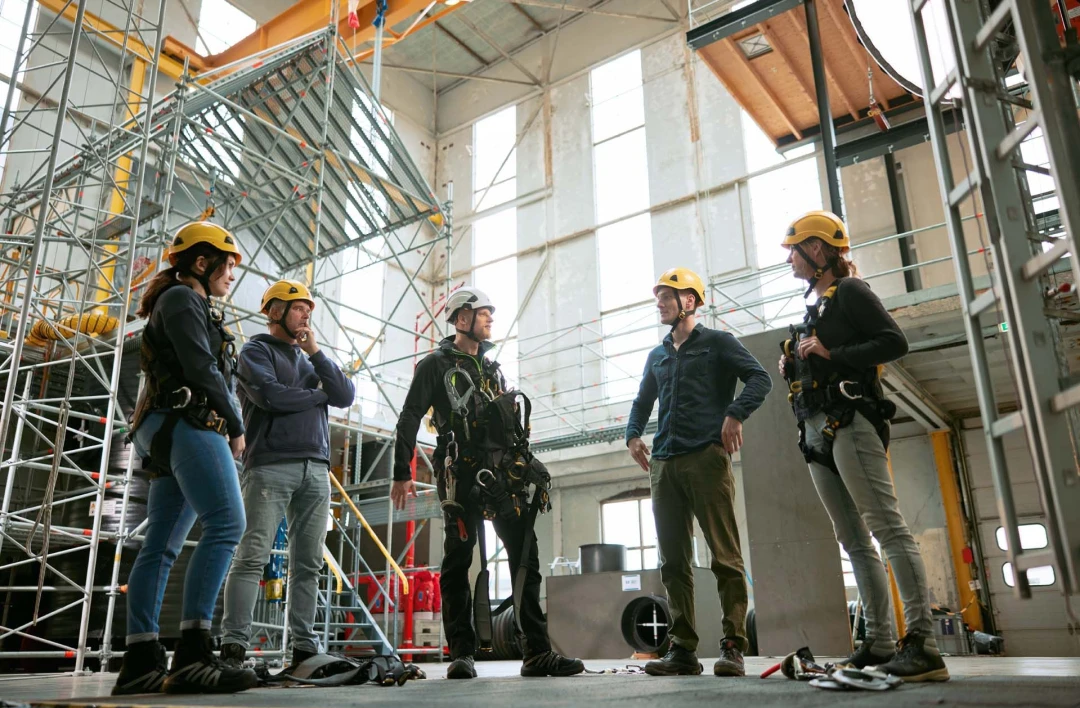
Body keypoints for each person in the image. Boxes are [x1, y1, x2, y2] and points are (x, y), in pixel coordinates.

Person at [777, 210, 949, 682]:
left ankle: (924, 645)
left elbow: (893, 342)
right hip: (815, 431)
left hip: (851, 421)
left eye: (794, 249)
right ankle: (877, 641)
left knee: (886, 528)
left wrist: (834, 355)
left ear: (817, 250)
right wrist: (796, 365)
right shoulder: (818, 305)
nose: (789, 258)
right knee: (853, 540)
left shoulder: (851, 291)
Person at [391, 286, 584, 680]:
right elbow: (410, 416)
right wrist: (401, 472)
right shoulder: (435, 366)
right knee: (458, 563)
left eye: (490, 314)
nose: (490, 319)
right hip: (461, 479)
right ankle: (461, 653)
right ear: (461, 319)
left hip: (502, 480)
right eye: (483, 313)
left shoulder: (493, 369)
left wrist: (529, 465)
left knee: (525, 559)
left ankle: (537, 652)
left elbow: (508, 426)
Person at [112, 221, 257, 695]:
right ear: (201, 262)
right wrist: (235, 424)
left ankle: (140, 660)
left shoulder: (184, 302)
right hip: (188, 423)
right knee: (227, 525)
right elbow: (200, 366)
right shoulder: (182, 299)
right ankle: (194, 650)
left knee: (162, 544)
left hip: (166, 427)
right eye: (228, 265)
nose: (231, 274)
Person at [625, 267, 772, 678]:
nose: (659, 304)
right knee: (673, 562)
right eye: (658, 298)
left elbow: (760, 379)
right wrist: (633, 435)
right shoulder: (657, 355)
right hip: (664, 464)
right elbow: (641, 402)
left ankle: (733, 646)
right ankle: (683, 650)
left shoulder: (719, 343)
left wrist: (735, 414)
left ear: (689, 301)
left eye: (666, 297)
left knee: (725, 557)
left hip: (706, 460)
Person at [220, 279, 355, 671]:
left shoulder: (311, 358)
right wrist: (318, 395)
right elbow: (271, 396)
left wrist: (315, 351)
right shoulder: (255, 350)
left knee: (308, 563)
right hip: (270, 465)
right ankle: (233, 645)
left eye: (309, 310)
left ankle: (304, 647)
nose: (306, 314)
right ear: (275, 311)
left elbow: (345, 395)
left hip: (316, 468)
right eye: (298, 308)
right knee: (252, 555)